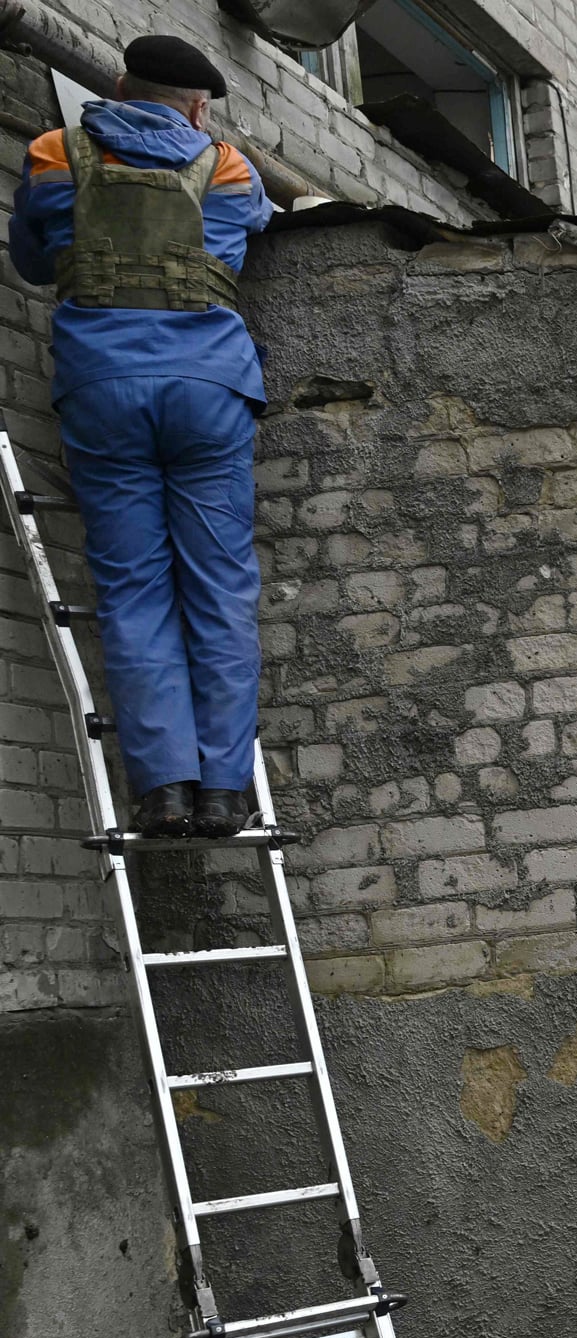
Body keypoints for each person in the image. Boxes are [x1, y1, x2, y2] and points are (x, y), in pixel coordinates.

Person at [7, 37, 276, 838]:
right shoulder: (226, 166)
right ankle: (225, 793)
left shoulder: (55, 150)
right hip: (208, 388)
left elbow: (29, 257)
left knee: (133, 591)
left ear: (120, 85)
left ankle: (163, 789)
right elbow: (253, 227)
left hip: (100, 386)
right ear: (197, 106)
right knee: (220, 588)